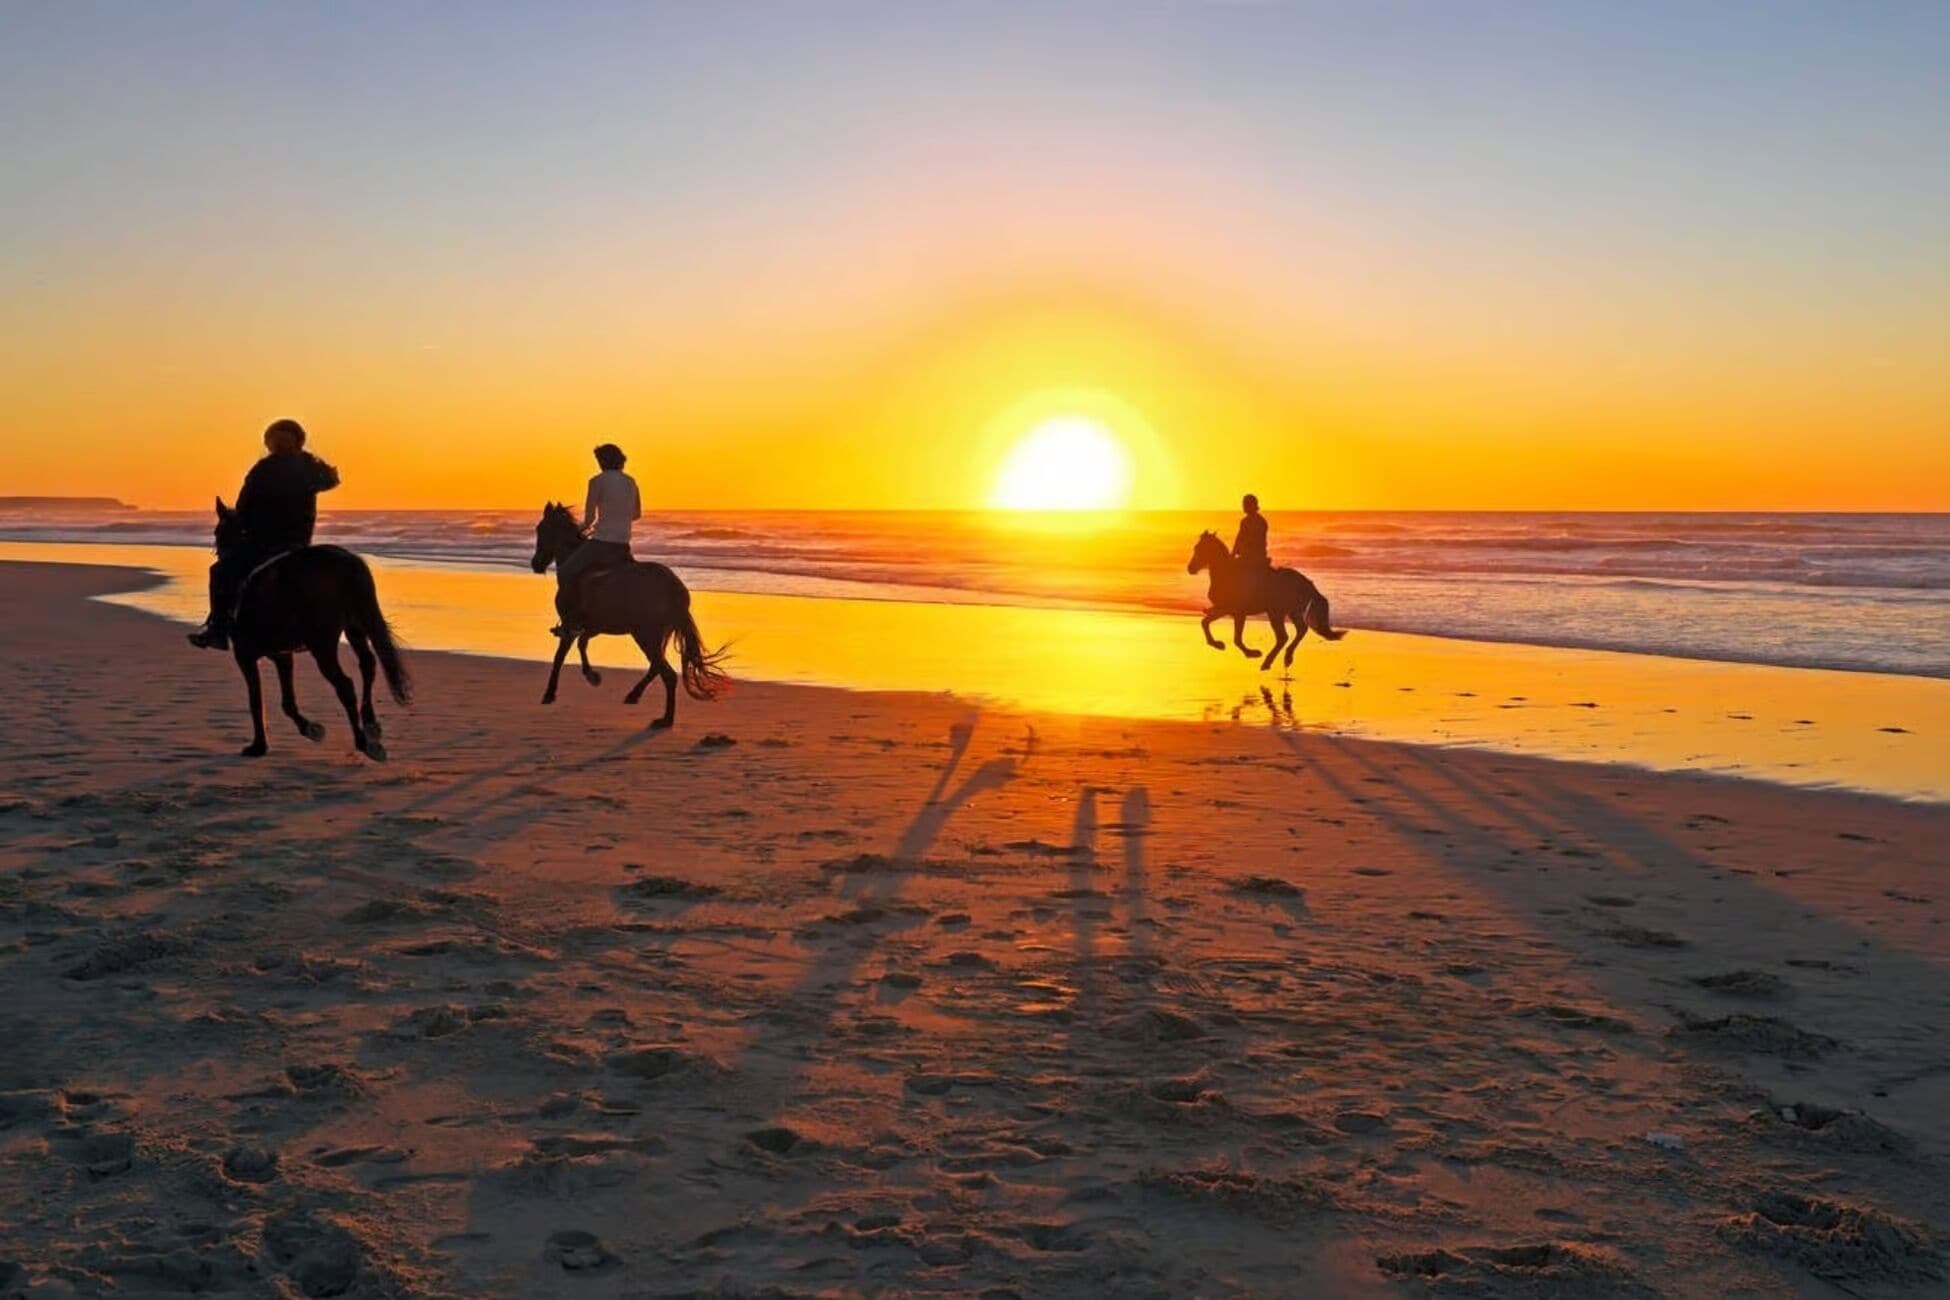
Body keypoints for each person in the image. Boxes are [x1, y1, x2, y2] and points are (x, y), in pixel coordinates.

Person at [188, 419, 340, 651]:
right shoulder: (311, 468)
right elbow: (330, 480)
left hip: (266, 543)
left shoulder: (263, 469)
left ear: (270, 444)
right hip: (300, 542)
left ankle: (218, 629)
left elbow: (243, 508)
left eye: (278, 441)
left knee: (220, 571)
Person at [553, 442, 641, 635]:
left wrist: (578, 530)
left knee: (566, 571)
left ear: (603, 461)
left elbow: (589, 519)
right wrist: (619, 518)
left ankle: (572, 623)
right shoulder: (631, 482)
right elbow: (636, 515)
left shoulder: (596, 481)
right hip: (623, 545)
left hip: (601, 543)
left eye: (598, 460)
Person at [1231, 492, 1272, 591]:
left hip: (1257, 557)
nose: (1243, 506)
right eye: (1243, 504)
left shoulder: (1260, 521)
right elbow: (1239, 538)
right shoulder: (1244, 521)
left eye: (1246, 504)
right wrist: (1233, 554)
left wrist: (1244, 550)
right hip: (1245, 556)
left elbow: (1256, 541)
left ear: (1252, 505)